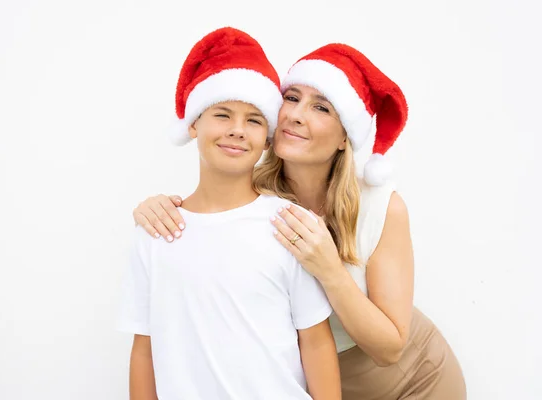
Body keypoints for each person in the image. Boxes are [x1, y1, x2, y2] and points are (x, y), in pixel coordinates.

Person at [132, 42, 467, 399]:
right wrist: (159, 209)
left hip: (411, 381)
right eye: (291, 98)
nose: (295, 114)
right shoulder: (255, 195)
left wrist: (329, 268)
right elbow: (206, 225)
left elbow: (391, 349)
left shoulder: (381, 206)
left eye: (321, 107)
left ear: (344, 137)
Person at [118, 27, 342, 400]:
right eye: (222, 115)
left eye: (254, 120)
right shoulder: (156, 231)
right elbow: (145, 347)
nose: (237, 131)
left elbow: (315, 341)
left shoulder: (288, 224)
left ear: (268, 138)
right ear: (193, 125)